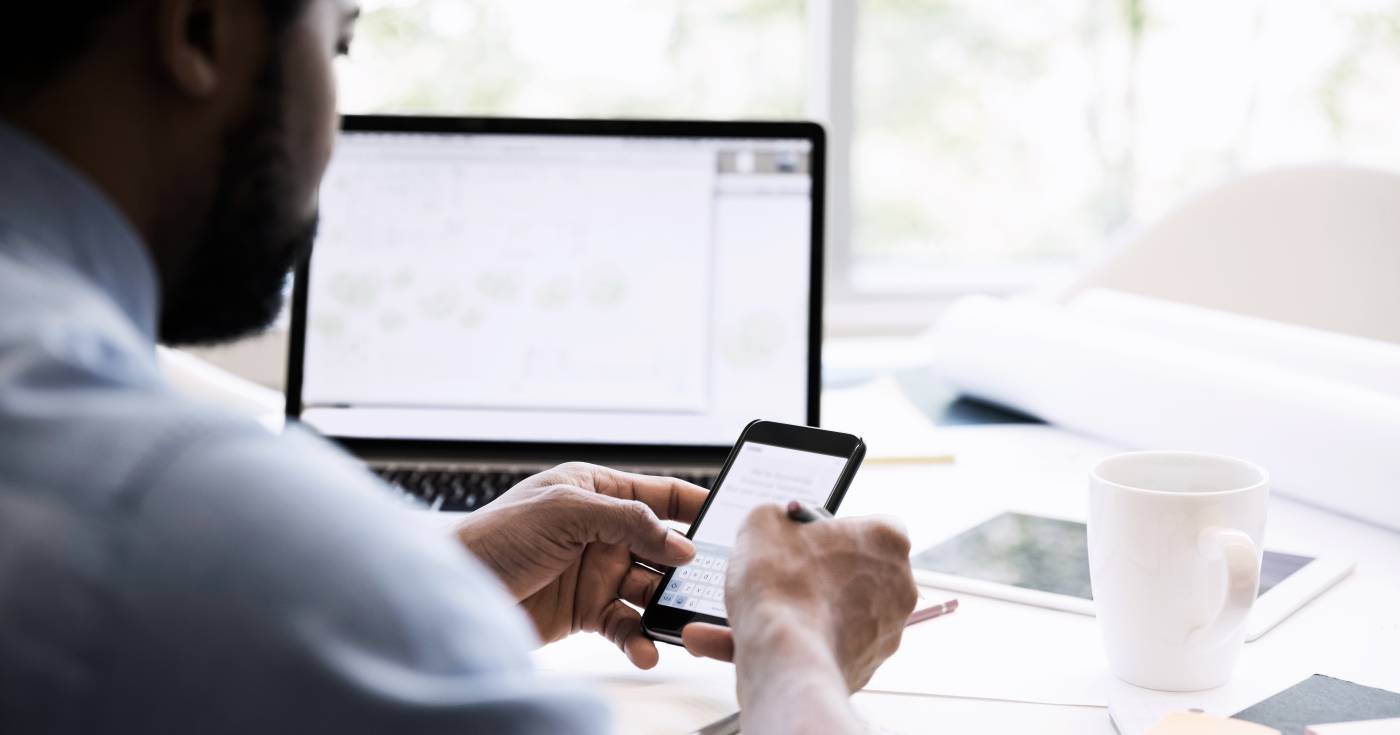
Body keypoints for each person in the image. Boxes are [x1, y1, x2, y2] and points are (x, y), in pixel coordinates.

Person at [0, 1, 919, 732]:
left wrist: (439, 578)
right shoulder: (183, 512)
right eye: (342, 42)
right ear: (199, 28)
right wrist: (792, 640)